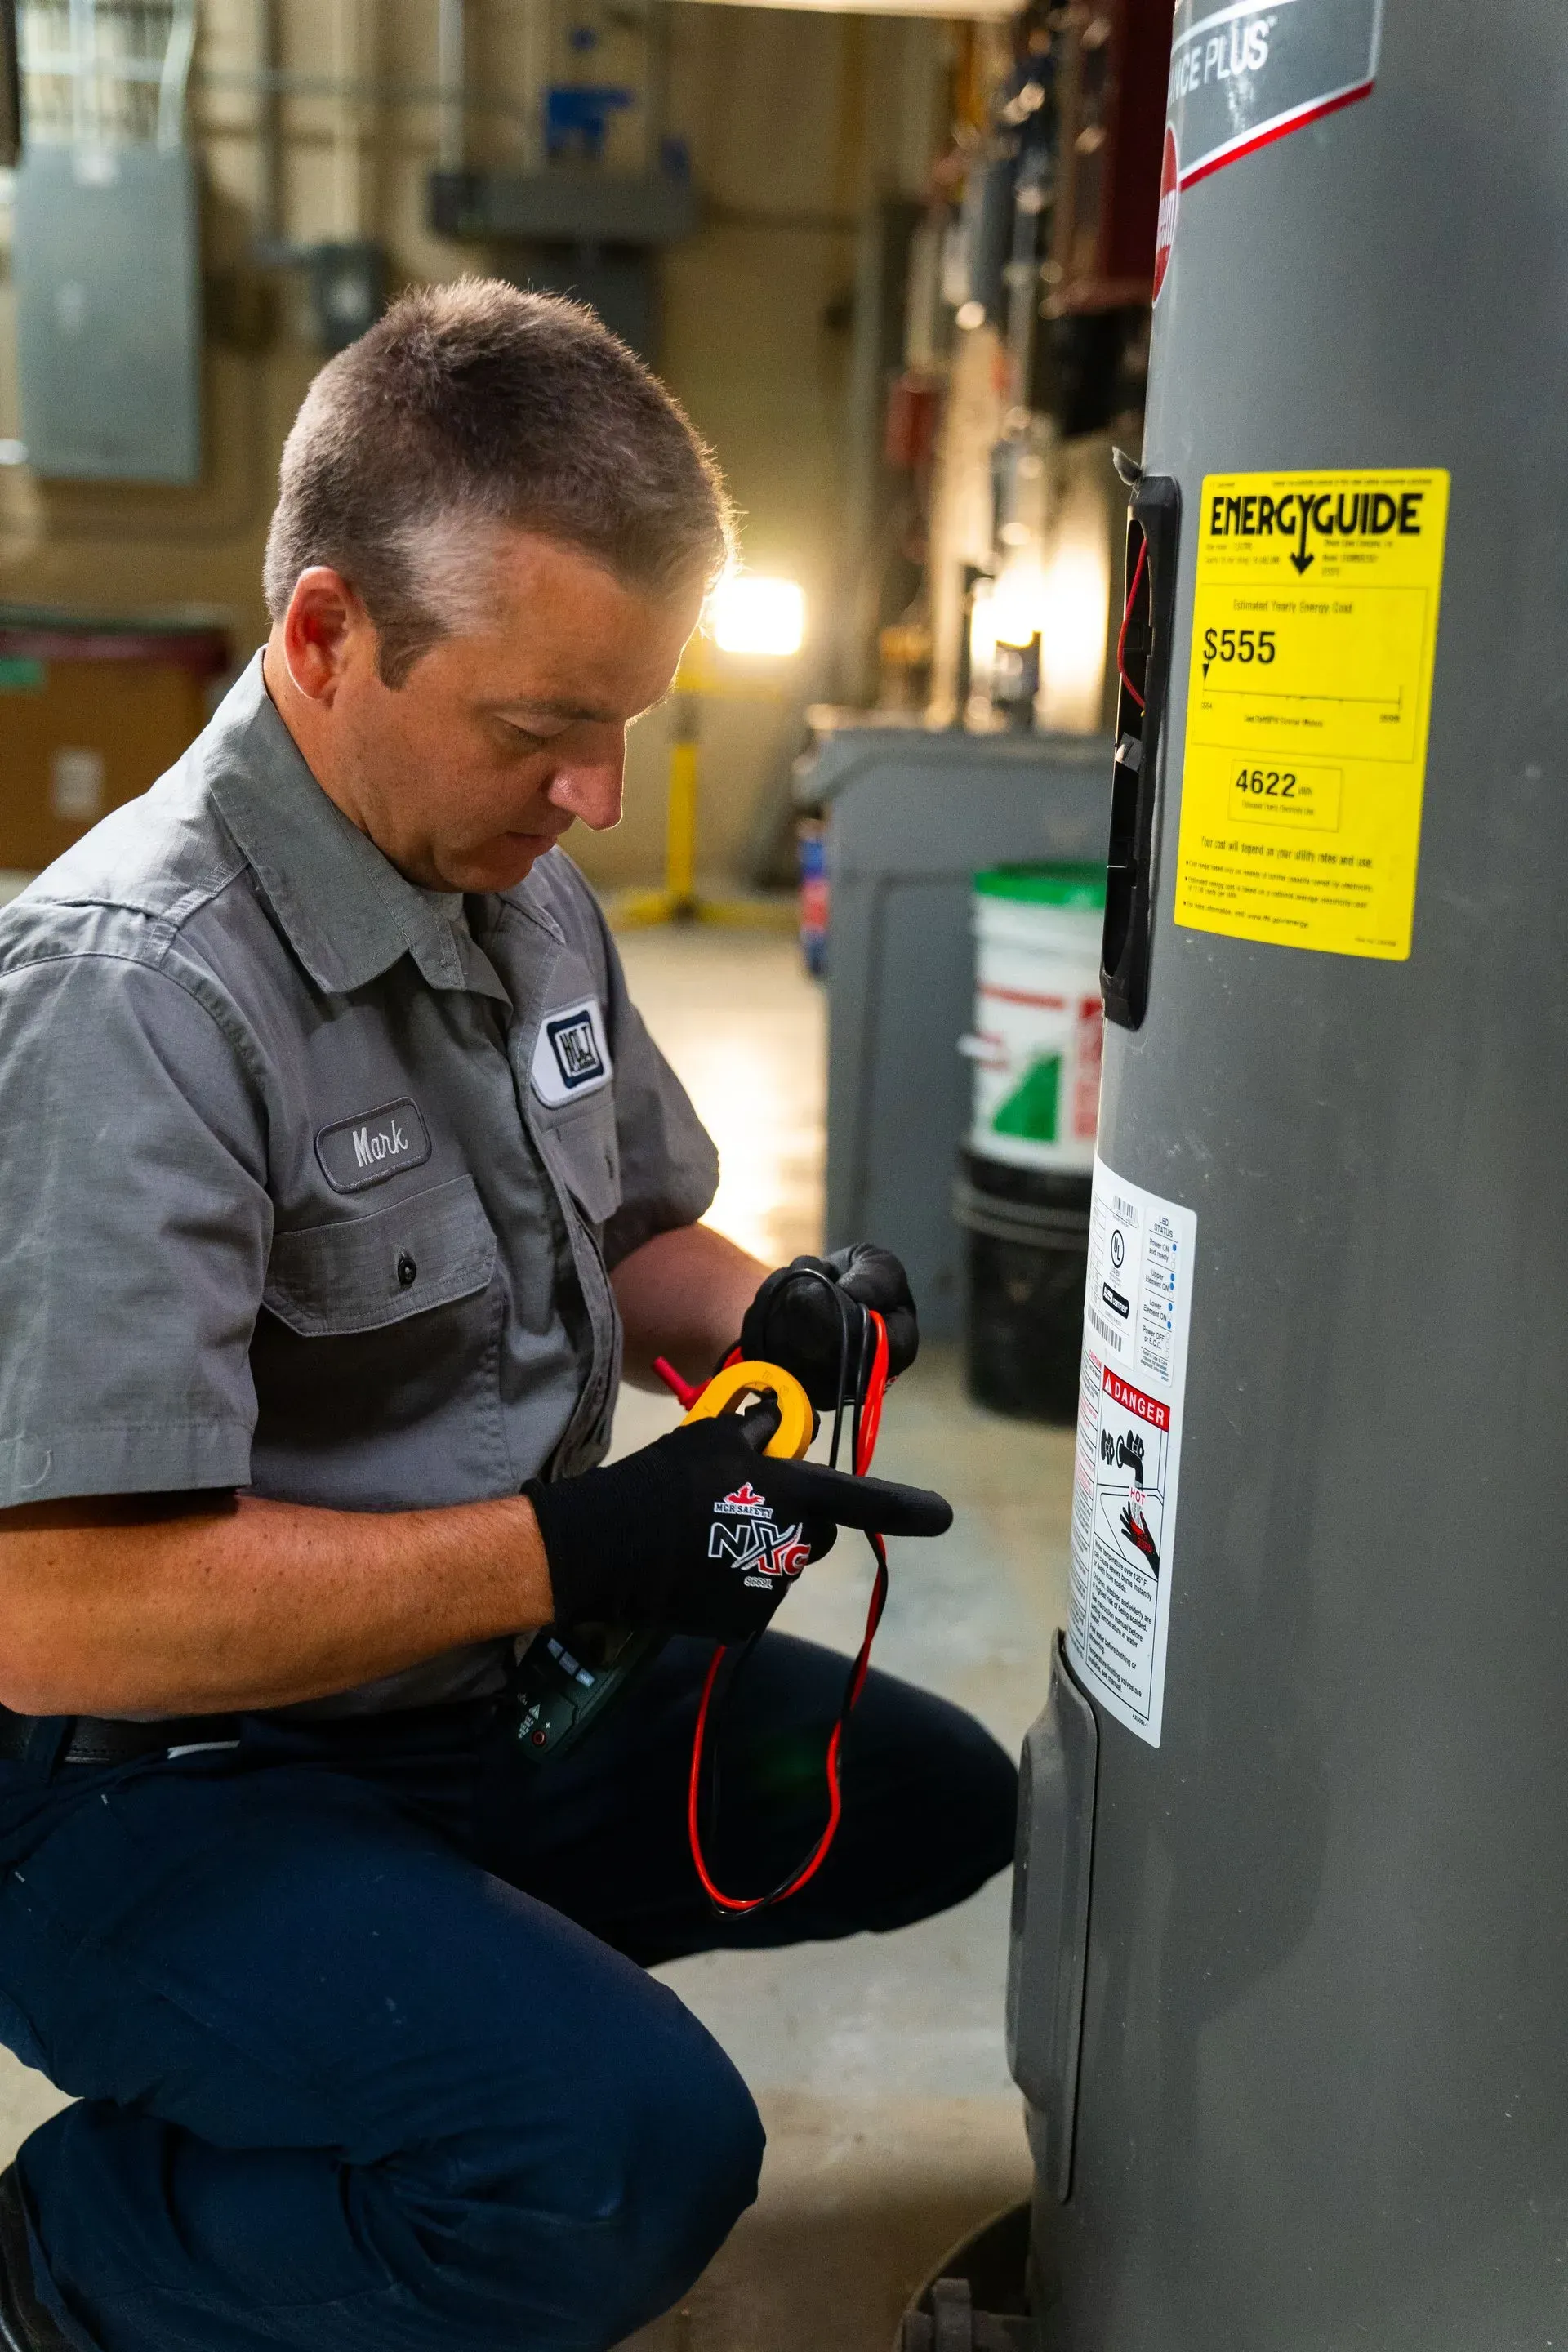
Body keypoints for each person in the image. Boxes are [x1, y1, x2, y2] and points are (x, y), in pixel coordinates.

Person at [0, 281, 1018, 2352]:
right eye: (544, 725)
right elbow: (57, 1610)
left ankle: (433, 1996)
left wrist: (782, 1314)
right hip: (145, 1784)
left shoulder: (508, 878)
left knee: (943, 1799)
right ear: (324, 637)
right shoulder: (133, 992)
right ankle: (76, 2258)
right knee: (619, 2165)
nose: (602, 799)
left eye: (625, 719)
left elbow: (634, 1232)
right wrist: (568, 1548)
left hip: (476, 1692)